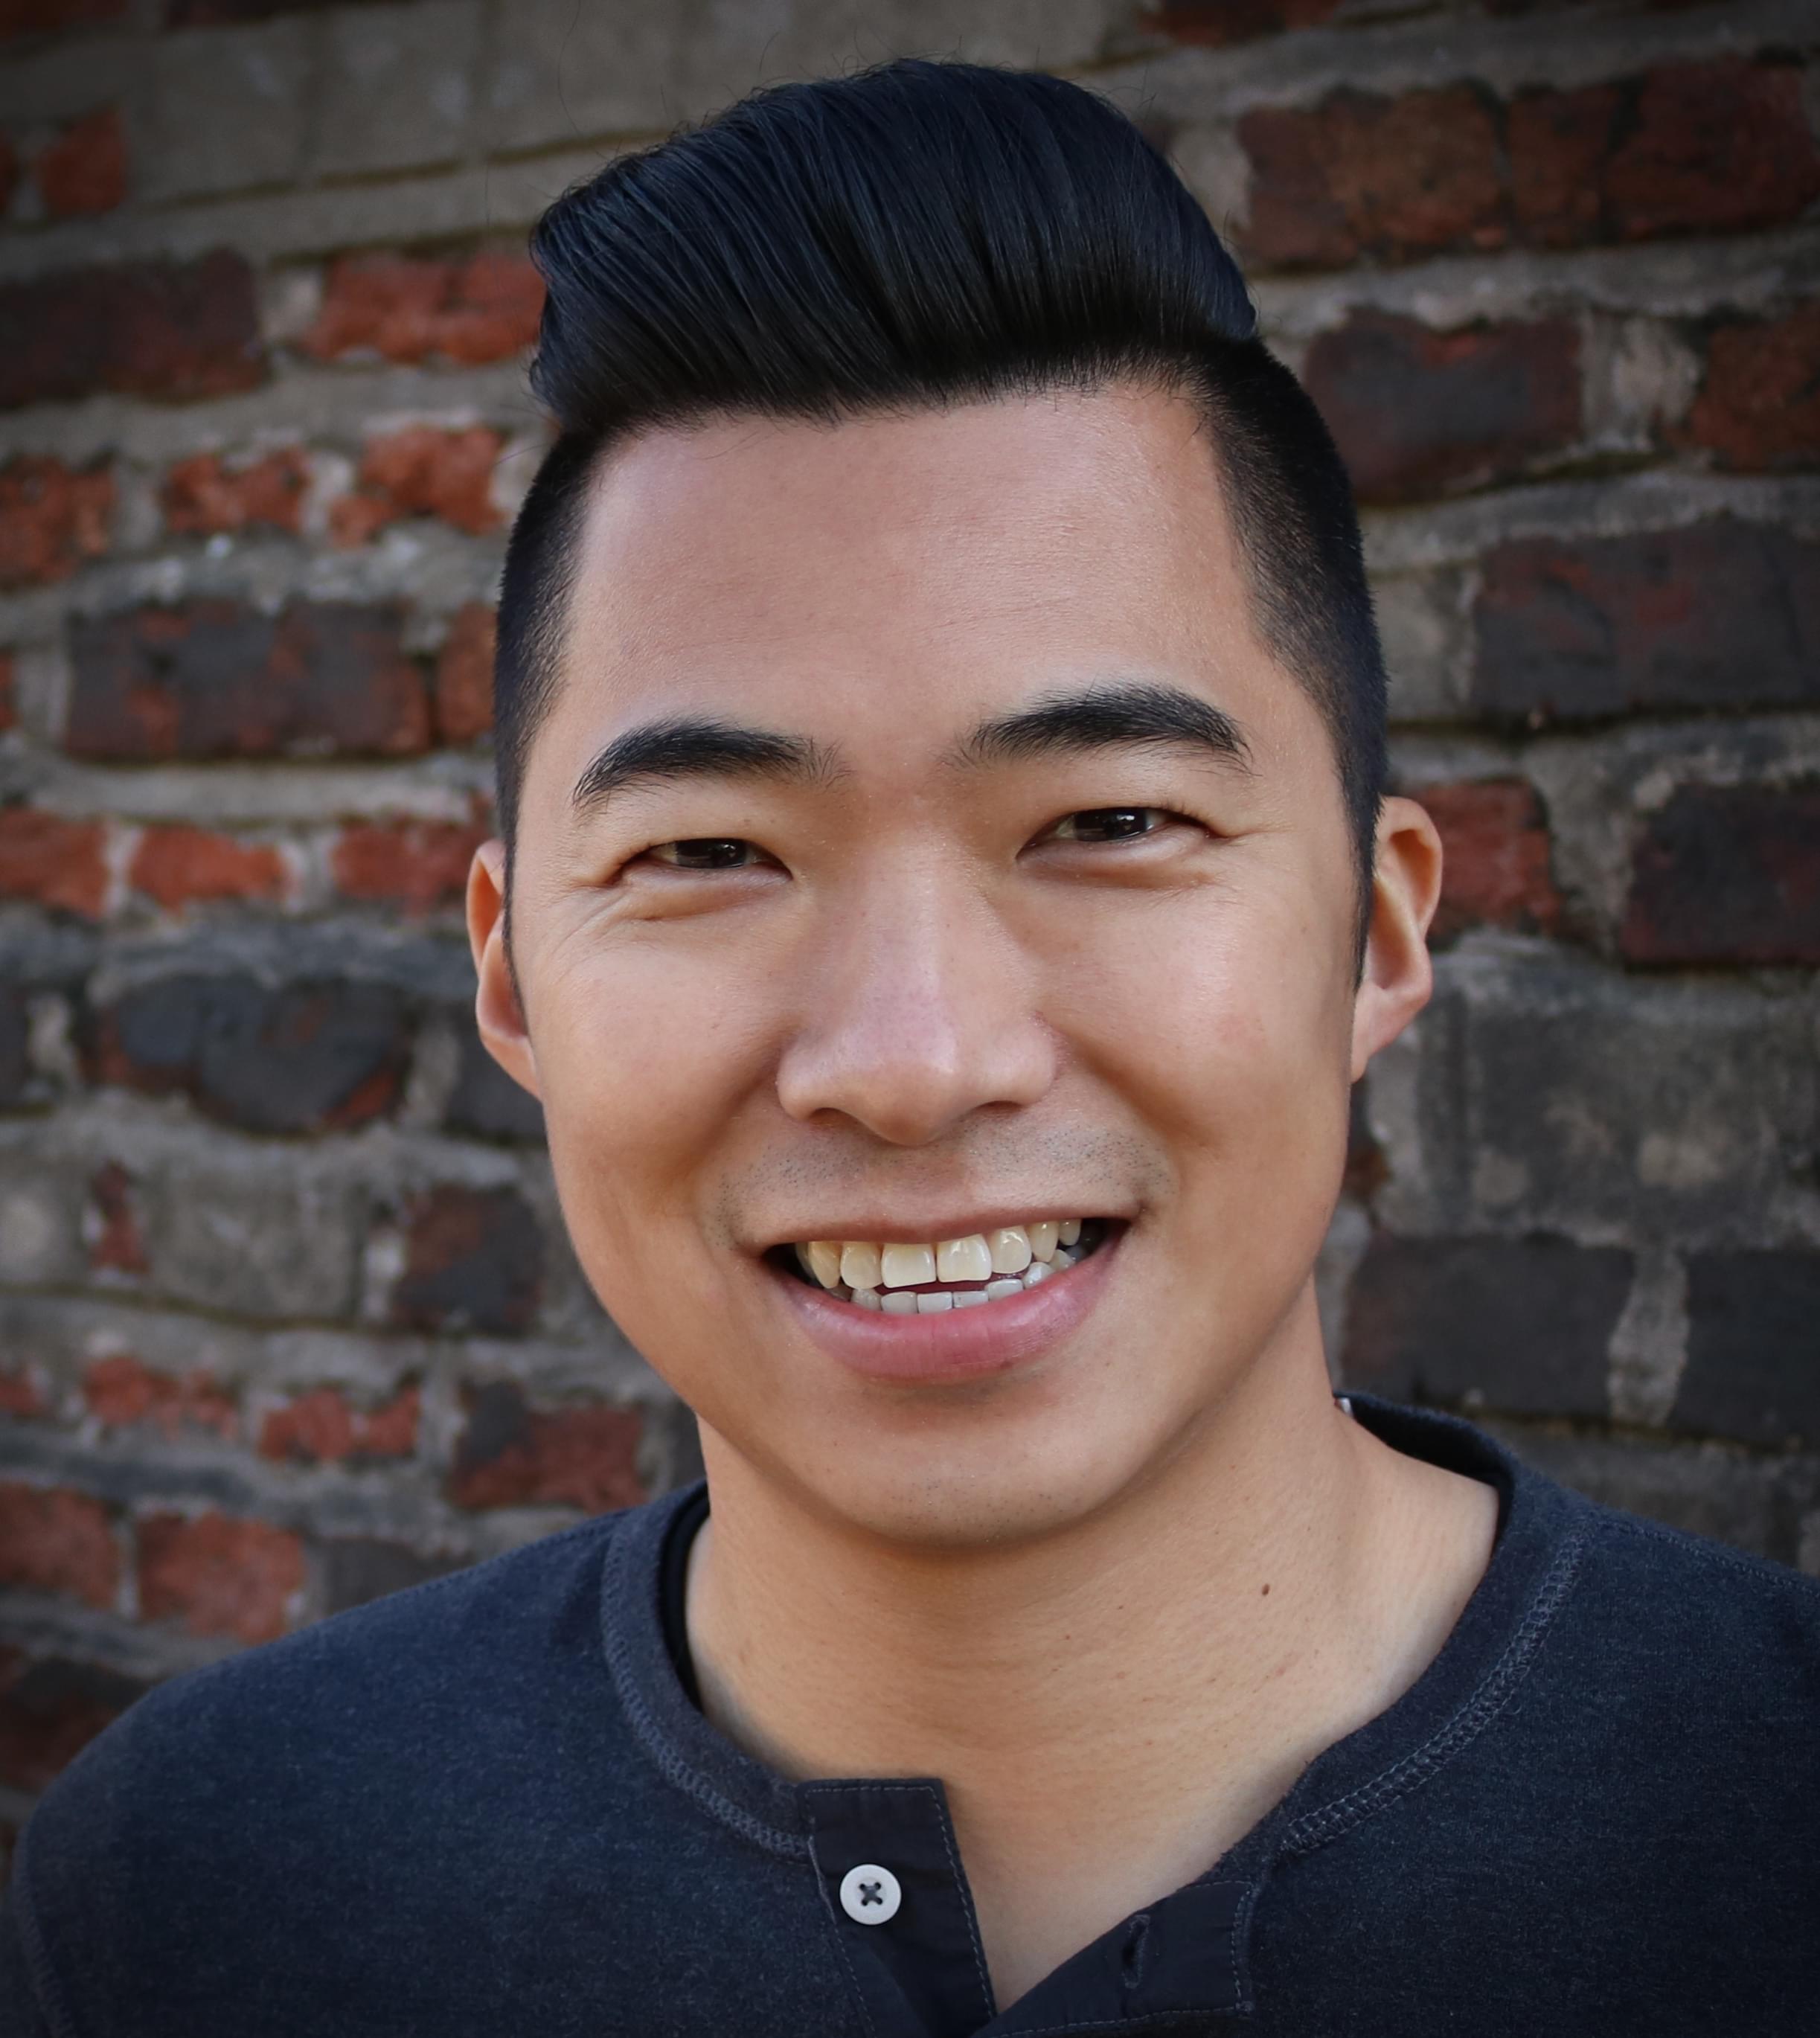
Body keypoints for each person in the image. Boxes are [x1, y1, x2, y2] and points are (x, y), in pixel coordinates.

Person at [4, 60, 1816, 2038]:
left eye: (1110, 821)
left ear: (1378, 931)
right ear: (513, 978)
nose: (915, 1060)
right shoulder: (195, 1894)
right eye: (710, 853)